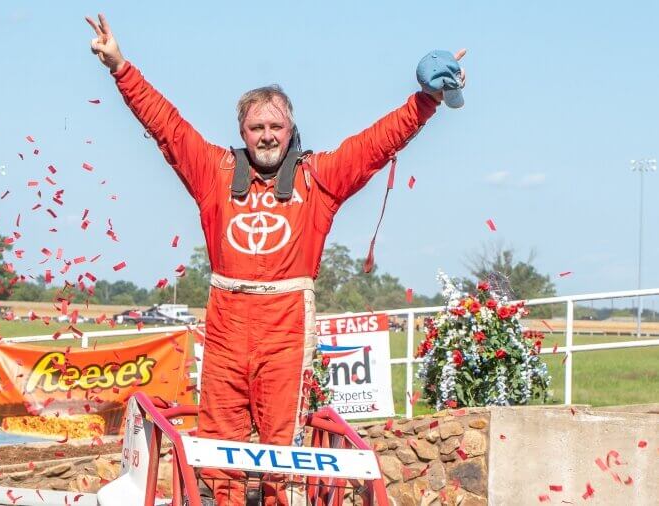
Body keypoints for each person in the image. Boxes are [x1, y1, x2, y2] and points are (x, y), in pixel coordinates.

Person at [86, 13, 465, 505]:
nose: (266, 135)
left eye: (275, 126)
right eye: (256, 126)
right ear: (242, 131)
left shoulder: (319, 177)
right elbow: (166, 126)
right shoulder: (213, 172)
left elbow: (377, 143)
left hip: (285, 326)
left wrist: (427, 99)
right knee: (218, 447)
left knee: (281, 453)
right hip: (225, 324)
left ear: (290, 130)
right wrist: (119, 65)